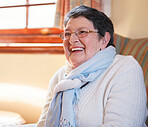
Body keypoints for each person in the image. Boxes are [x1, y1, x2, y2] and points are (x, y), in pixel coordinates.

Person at [36, 5, 147, 127]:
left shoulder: (125, 69)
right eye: (67, 34)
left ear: (104, 40)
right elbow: (43, 124)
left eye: (82, 32)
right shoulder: (59, 77)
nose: (72, 40)